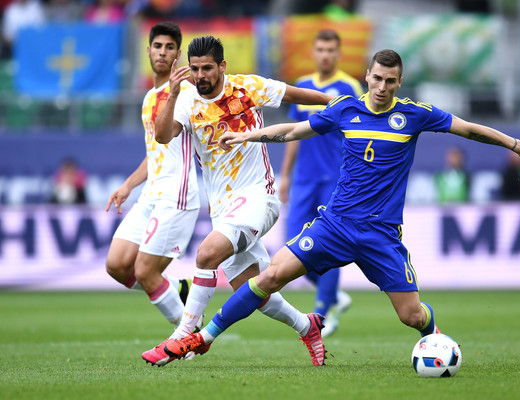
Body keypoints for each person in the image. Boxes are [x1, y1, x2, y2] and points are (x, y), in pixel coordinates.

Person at [156, 49, 520, 365]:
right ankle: (202, 338)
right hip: (336, 225)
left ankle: (433, 337)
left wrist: (516, 144)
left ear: (399, 82)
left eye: (390, 81)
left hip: (380, 235)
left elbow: (469, 129)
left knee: (411, 316)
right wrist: (247, 137)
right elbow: (293, 129)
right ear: (367, 75)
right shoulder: (346, 109)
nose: (381, 87)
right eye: (376, 78)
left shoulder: (415, 115)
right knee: (271, 275)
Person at [141, 35, 333, 367]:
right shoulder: (186, 101)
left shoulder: (247, 88)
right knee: (253, 292)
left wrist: (338, 102)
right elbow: (161, 136)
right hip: (224, 209)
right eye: (196, 69)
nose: (201, 75)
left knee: (206, 254)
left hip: (260, 199)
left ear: (222, 67)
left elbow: (297, 95)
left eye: (208, 68)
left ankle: (184, 334)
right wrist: (172, 93)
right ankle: (307, 325)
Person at [105, 22, 199, 331]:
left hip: (176, 193)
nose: (162, 52)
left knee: (145, 272)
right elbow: (153, 153)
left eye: (169, 47)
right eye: (157, 46)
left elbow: (167, 137)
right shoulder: (148, 98)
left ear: (178, 54)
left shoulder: (185, 93)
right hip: (150, 195)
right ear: (148, 51)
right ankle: (177, 289)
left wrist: (173, 92)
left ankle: (187, 334)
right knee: (117, 266)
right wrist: (127, 186)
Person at [281, 29, 362, 337]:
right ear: (313, 53)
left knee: (327, 246)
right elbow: (293, 134)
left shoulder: (349, 87)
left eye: (331, 50)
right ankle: (335, 297)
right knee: (292, 245)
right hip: (303, 179)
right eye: (320, 49)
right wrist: (286, 174)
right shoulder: (301, 86)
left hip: (335, 180)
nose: (325, 55)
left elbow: (357, 134)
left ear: (338, 54)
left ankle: (322, 312)